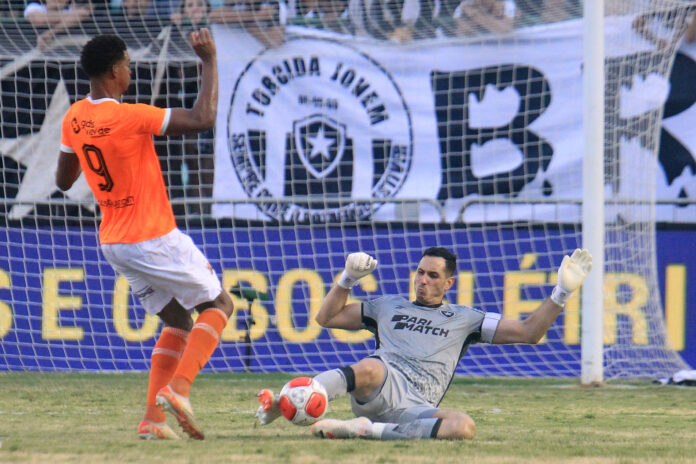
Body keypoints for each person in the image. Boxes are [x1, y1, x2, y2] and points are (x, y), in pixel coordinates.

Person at [55, 28, 233, 441]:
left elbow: (64, 181)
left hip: (114, 242)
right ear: (115, 71)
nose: (131, 72)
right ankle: (181, 391)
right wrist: (209, 61)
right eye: (129, 65)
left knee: (177, 321)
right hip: (152, 234)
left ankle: (153, 420)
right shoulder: (131, 115)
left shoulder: (74, 117)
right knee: (219, 304)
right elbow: (202, 118)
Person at [256, 246, 592, 440]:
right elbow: (326, 318)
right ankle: (289, 399)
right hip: (379, 385)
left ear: (449, 283)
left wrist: (562, 292)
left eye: (432, 276)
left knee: (464, 427)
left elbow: (529, 333)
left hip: (416, 406)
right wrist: (348, 279)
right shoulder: (387, 306)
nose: (422, 280)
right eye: (419, 272)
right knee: (372, 366)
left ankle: (363, 430)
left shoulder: (466, 318)